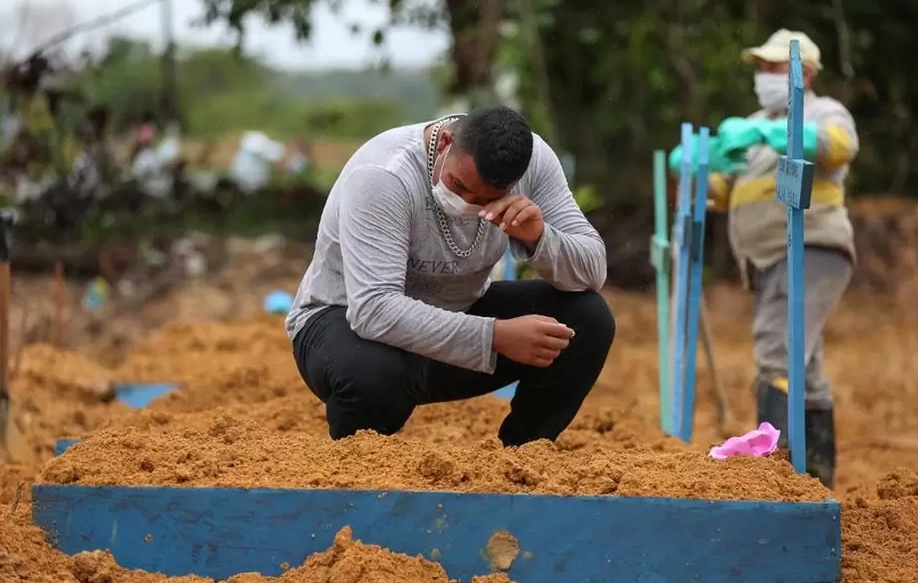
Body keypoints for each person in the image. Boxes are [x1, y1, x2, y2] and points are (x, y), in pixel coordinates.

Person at [285, 106, 615, 446]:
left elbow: (593, 271)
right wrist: (494, 336)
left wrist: (539, 237)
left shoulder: (535, 162)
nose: (467, 202)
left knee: (587, 319)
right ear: (445, 141)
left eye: (487, 199)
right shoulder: (383, 174)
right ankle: (357, 475)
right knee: (374, 377)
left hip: (455, 318)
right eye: (458, 185)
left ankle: (521, 460)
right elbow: (373, 310)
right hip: (345, 324)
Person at [685, 30, 857, 488]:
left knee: (777, 351)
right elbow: (725, 194)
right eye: (761, 68)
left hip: (811, 248)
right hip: (766, 261)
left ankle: (775, 478)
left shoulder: (822, 111)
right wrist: (704, 167)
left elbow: (838, 146)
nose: (764, 76)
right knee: (806, 367)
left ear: (806, 73)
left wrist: (770, 132)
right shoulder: (754, 122)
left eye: (774, 67)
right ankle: (816, 478)